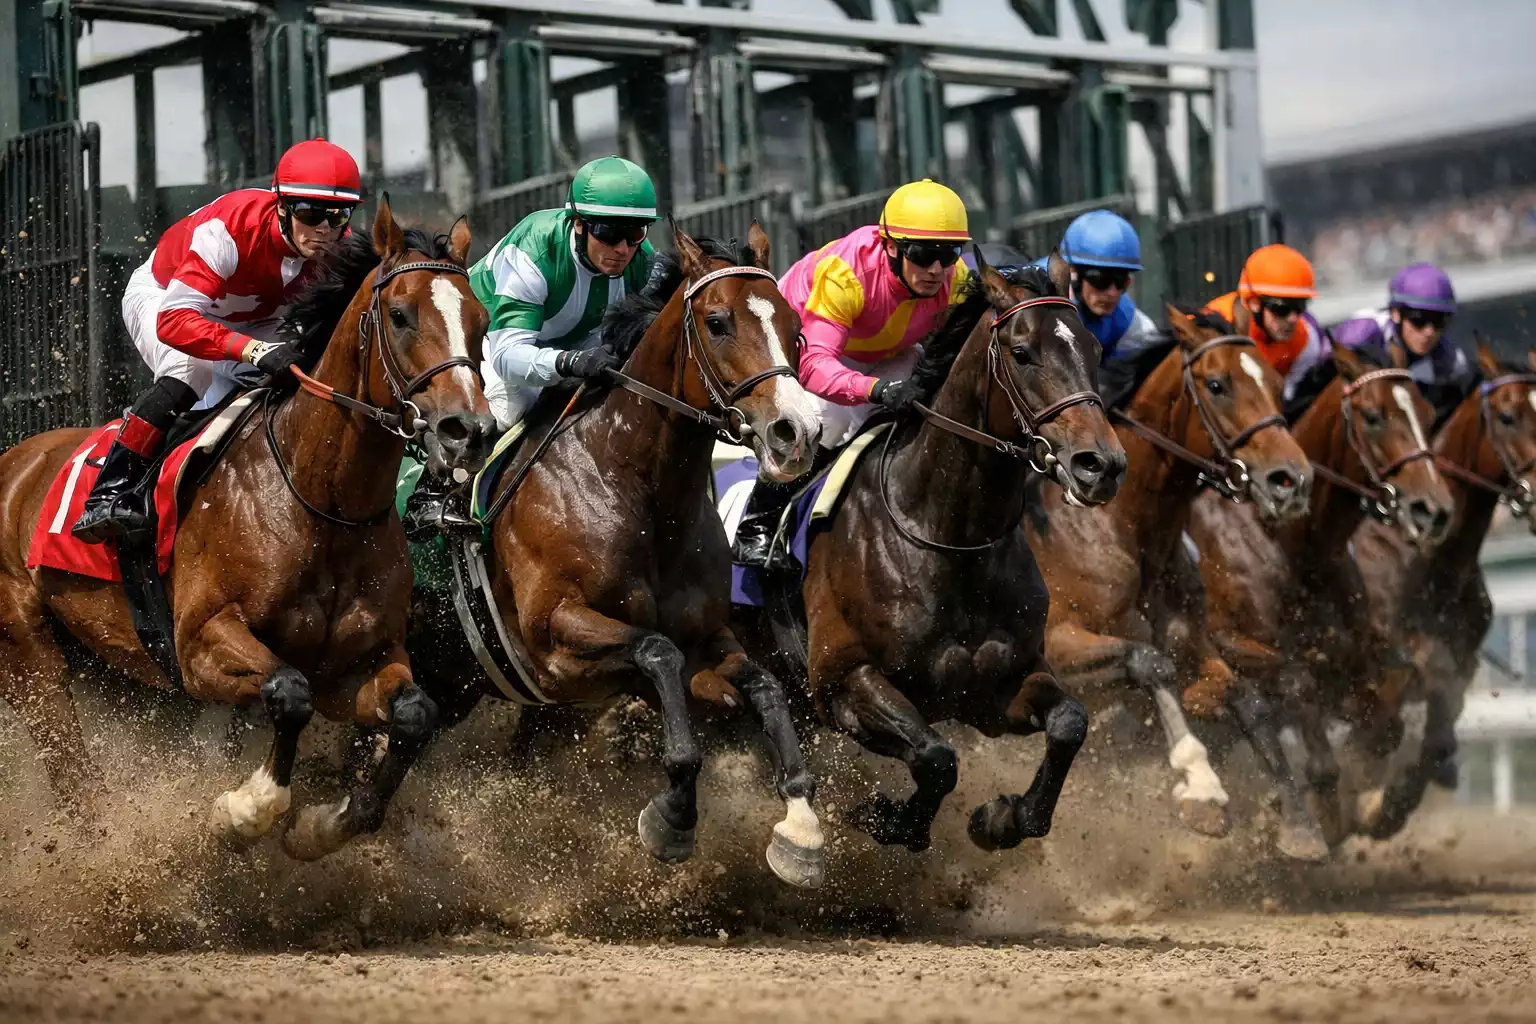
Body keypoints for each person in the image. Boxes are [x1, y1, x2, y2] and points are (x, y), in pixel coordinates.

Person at [73, 138, 362, 543]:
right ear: (281, 206)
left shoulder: (341, 248)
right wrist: (255, 350)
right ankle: (111, 492)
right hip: (167, 298)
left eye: (338, 215)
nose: (325, 230)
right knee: (192, 371)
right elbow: (174, 321)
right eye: (310, 213)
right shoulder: (229, 229)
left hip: (257, 318)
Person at [404, 155, 659, 535]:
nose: (623, 248)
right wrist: (571, 362)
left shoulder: (643, 262)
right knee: (510, 405)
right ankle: (431, 495)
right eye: (608, 231)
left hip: (567, 350)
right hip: (489, 343)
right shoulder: (537, 247)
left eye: (635, 233)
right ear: (579, 224)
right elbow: (509, 357)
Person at [731, 178, 971, 571]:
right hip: (796, 355)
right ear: (891, 246)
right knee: (828, 419)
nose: (936, 270)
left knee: (928, 390)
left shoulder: (954, 279)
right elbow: (814, 363)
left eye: (949, 255)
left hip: (881, 350)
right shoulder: (848, 274)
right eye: (924, 254)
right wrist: (875, 390)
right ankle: (757, 526)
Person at [1036, 209, 1161, 408]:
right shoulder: (1036, 302)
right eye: (1100, 280)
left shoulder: (1132, 324)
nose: (1112, 293)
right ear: (1073, 275)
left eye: (1121, 282)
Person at [1331, 262, 1473, 426]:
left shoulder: (1451, 363)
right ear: (1396, 314)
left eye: (1438, 322)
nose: (1429, 332)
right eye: (1419, 320)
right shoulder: (1361, 333)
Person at [1204, 243, 1328, 417]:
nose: (1293, 319)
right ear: (1254, 303)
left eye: (1300, 306)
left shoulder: (1307, 340)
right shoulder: (1213, 328)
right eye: (1281, 309)